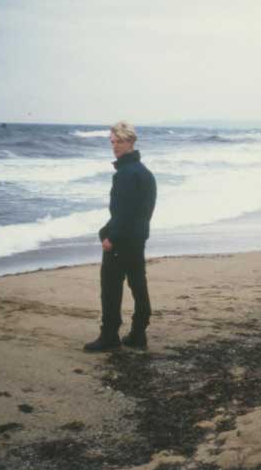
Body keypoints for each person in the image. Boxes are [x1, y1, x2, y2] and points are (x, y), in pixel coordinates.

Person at [84, 121, 156, 352]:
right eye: (112, 142)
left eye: (119, 141)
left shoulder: (126, 174)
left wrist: (108, 236)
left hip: (122, 240)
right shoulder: (145, 173)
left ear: (131, 142)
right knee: (137, 283)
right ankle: (138, 333)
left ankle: (109, 336)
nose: (114, 146)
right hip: (138, 237)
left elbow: (123, 212)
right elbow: (140, 212)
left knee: (111, 286)